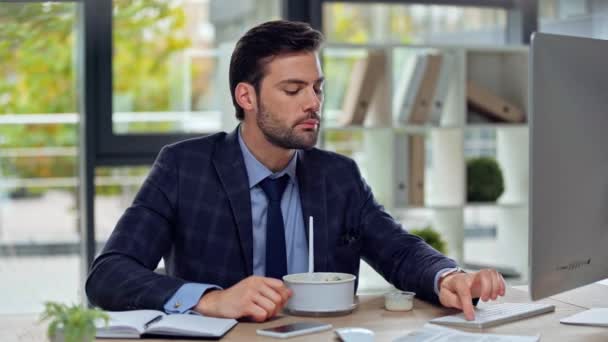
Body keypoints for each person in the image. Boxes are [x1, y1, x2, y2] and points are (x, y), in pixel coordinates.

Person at [86, 20, 505, 323]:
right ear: (246, 97)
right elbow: (109, 274)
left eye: (318, 88)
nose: (314, 103)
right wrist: (210, 300)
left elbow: (398, 250)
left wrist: (447, 276)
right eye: (293, 90)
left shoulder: (338, 176)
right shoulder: (184, 168)